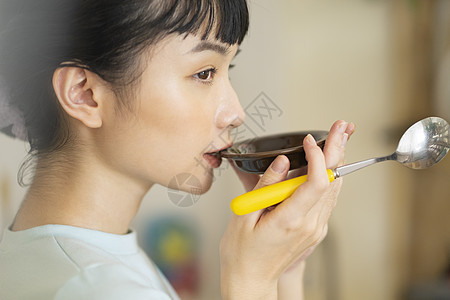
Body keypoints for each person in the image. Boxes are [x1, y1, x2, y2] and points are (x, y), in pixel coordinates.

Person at [0, 1, 355, 299]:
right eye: (204, 73)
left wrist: (284, 268)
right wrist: (250, 280)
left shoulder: (58, 260)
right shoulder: (102, 287)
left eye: (226, 68)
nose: (236, 113)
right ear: (85, 94)